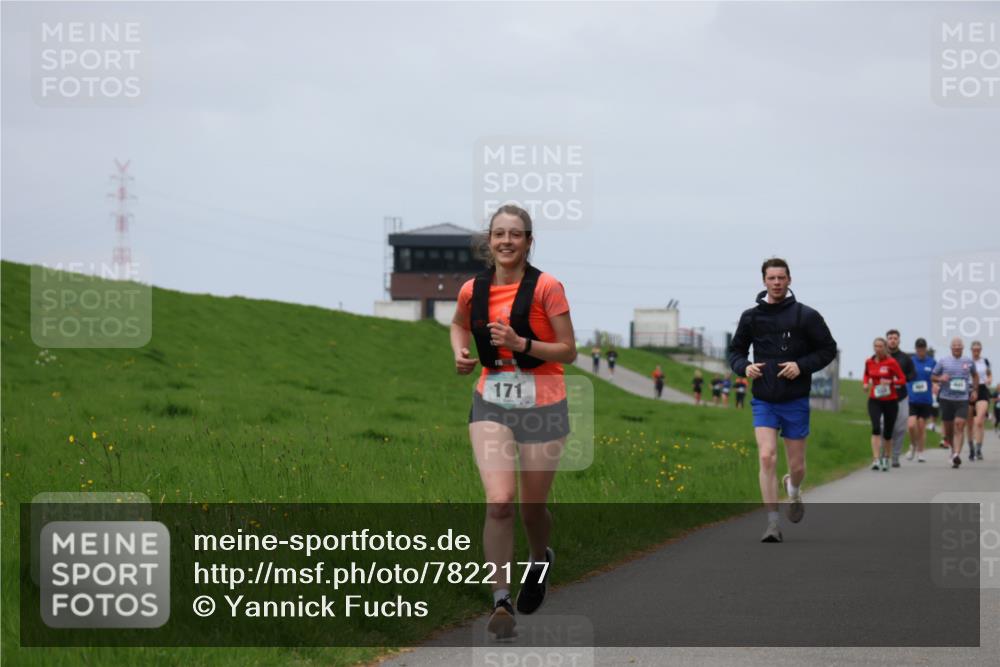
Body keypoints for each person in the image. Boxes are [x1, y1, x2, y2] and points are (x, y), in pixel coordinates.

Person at [450, 205, 577, 638]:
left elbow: (568, 351)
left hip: (544, 404)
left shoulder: (547, 287)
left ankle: (540, 558)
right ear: (489, 239)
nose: (506, 241)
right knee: (500, 500)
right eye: (499, 234)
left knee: (530, 507)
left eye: (516, 234)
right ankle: (500, 601)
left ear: (528, 240)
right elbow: (457, 324)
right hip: (492, 400)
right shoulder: (473, 289)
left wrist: (522, 342)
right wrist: (460, 352)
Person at [727, 258, 837, 543]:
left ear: (789, 280)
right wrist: (744, 367)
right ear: (763, 281)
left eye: (781, 278)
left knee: (797, 466)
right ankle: (772, 523)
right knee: (766, 456)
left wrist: (801, 366)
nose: (776, 283)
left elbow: (827, 349)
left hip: (795, 399)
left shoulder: (806, 316)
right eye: (771, 278)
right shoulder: (751, 317)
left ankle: (794, 489)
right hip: (764, 398)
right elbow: (735, 351)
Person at [930, 337, 979, 469]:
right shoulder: (943, 361)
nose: (957, 347)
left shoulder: (968, 361)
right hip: (946, 399)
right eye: (954, 345)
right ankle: (953, 451)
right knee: (949, 430)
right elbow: (933, 376)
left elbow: (975, 375)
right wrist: (940, 378)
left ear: (963, 347)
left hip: (962, 399)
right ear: (951, 348)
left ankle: (957, 454)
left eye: (959, 345)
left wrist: (974, 390)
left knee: (959, 425)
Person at [864, 338, 907, 471]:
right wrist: (865, 383)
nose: (878, 349)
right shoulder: (869, 361)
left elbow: (902, 379)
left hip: (890, 400)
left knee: (888, 433)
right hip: (874, 399)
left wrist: (891, 382)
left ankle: (886, 458)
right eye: (876, 346)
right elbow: (866, 374)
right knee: (876, 428)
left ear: (885, 348)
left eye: (881, 346)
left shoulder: (891, 362)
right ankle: (876, 459)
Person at [884, 329, 916, 467]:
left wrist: (902, 379)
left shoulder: (905, 358)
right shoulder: (880, 357)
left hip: (901, 397)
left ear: (899, 340)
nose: (892, 340)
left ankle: (895, 456)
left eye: (895, 338)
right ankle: (882, 456)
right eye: (890, 338)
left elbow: (913, 373)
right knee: (882, 426)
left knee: (900, 428)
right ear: (887, 340)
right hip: (884, 397)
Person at [906, 338, 936, 463]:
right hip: (912, 398)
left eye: (923, 348)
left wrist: (937, 385)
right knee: (912, 425)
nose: (921, 350)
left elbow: (937, 376)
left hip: (925, 399)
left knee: (922, 426)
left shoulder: (932, 362)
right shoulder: (910, 361)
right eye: (919, 348)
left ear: (925, 349)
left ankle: (921, 452)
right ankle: (913, 445)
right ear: (916, 349)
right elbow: (904, 377)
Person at [965, 341, 992, 460]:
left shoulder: (985, 361)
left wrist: (989, 380)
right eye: (974, 350)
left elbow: (989, 374)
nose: (976, 352)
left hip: (982, 389)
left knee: (979, 421)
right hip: (969, 389)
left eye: (978, 350)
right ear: (971, 350)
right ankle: (971, 448)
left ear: (981, 350)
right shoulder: (966, 362)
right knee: (969, 423)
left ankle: (978, 449)